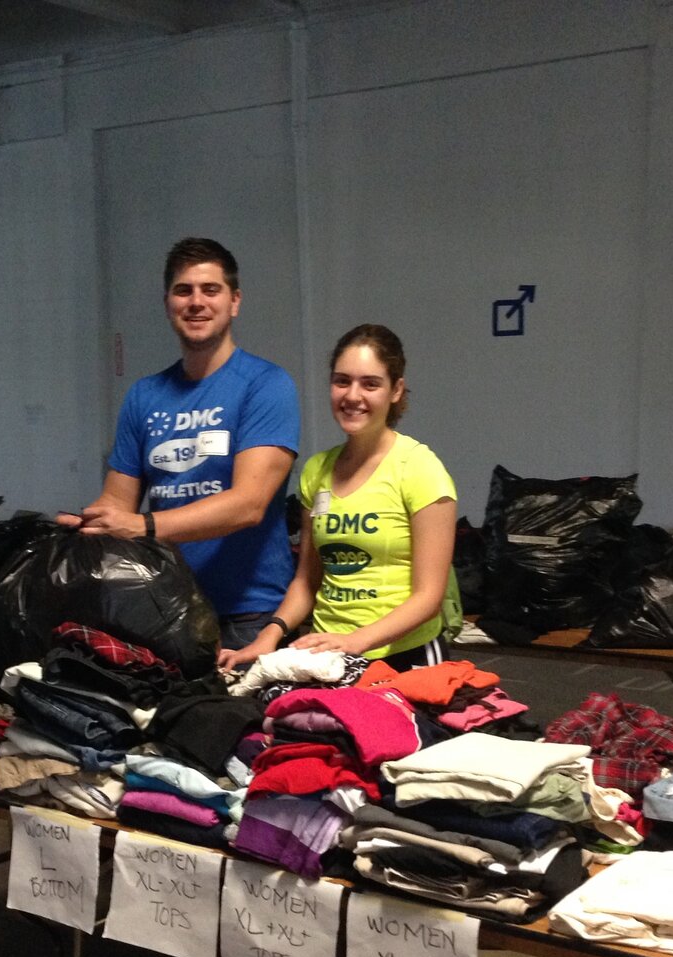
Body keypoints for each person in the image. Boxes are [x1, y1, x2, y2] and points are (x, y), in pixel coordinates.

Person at [59, 237, 299, 650]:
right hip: (167, 606)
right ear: (168, 302)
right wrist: (91, 526)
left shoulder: (266, 385)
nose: (196, 302)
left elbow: (249, 504)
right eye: (183, 290)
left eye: (211, 290)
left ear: (234, 301)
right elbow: (118, 505)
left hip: (249, 616)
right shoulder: (143, 396)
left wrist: (144, 525)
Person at [219, 324, 457, 672]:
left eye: (370, 383)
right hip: (329, 656)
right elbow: (306, 581)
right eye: (342, 381)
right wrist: (268, 637)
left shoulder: (419, 469)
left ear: (396, 390)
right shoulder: (317, 471)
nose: (352, 395)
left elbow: (429, 598)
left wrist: (356, 641)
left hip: (405, 658)